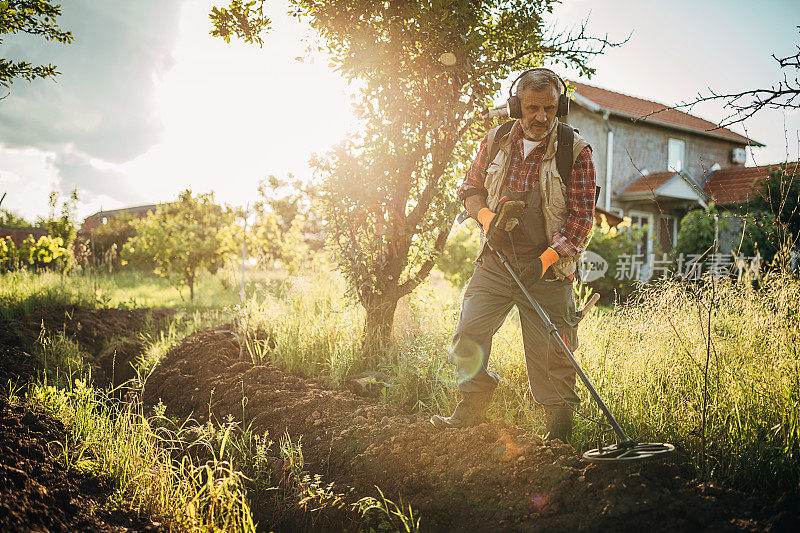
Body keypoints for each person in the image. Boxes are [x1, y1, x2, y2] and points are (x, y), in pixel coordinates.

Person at [430, 68, 597, 443]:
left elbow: (581, 223)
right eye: (533, 107)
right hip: (497, 260)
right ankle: (472, 405)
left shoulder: (575, 151)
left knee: (555, 353)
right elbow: (470, 189)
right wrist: (487, 218)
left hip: (549, 267)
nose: (541, 116)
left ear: (561, 106)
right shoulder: (496, 140)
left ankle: (559, 433)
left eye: (550, 108)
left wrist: (546, 261)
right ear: (515, 105)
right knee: (469, 333)